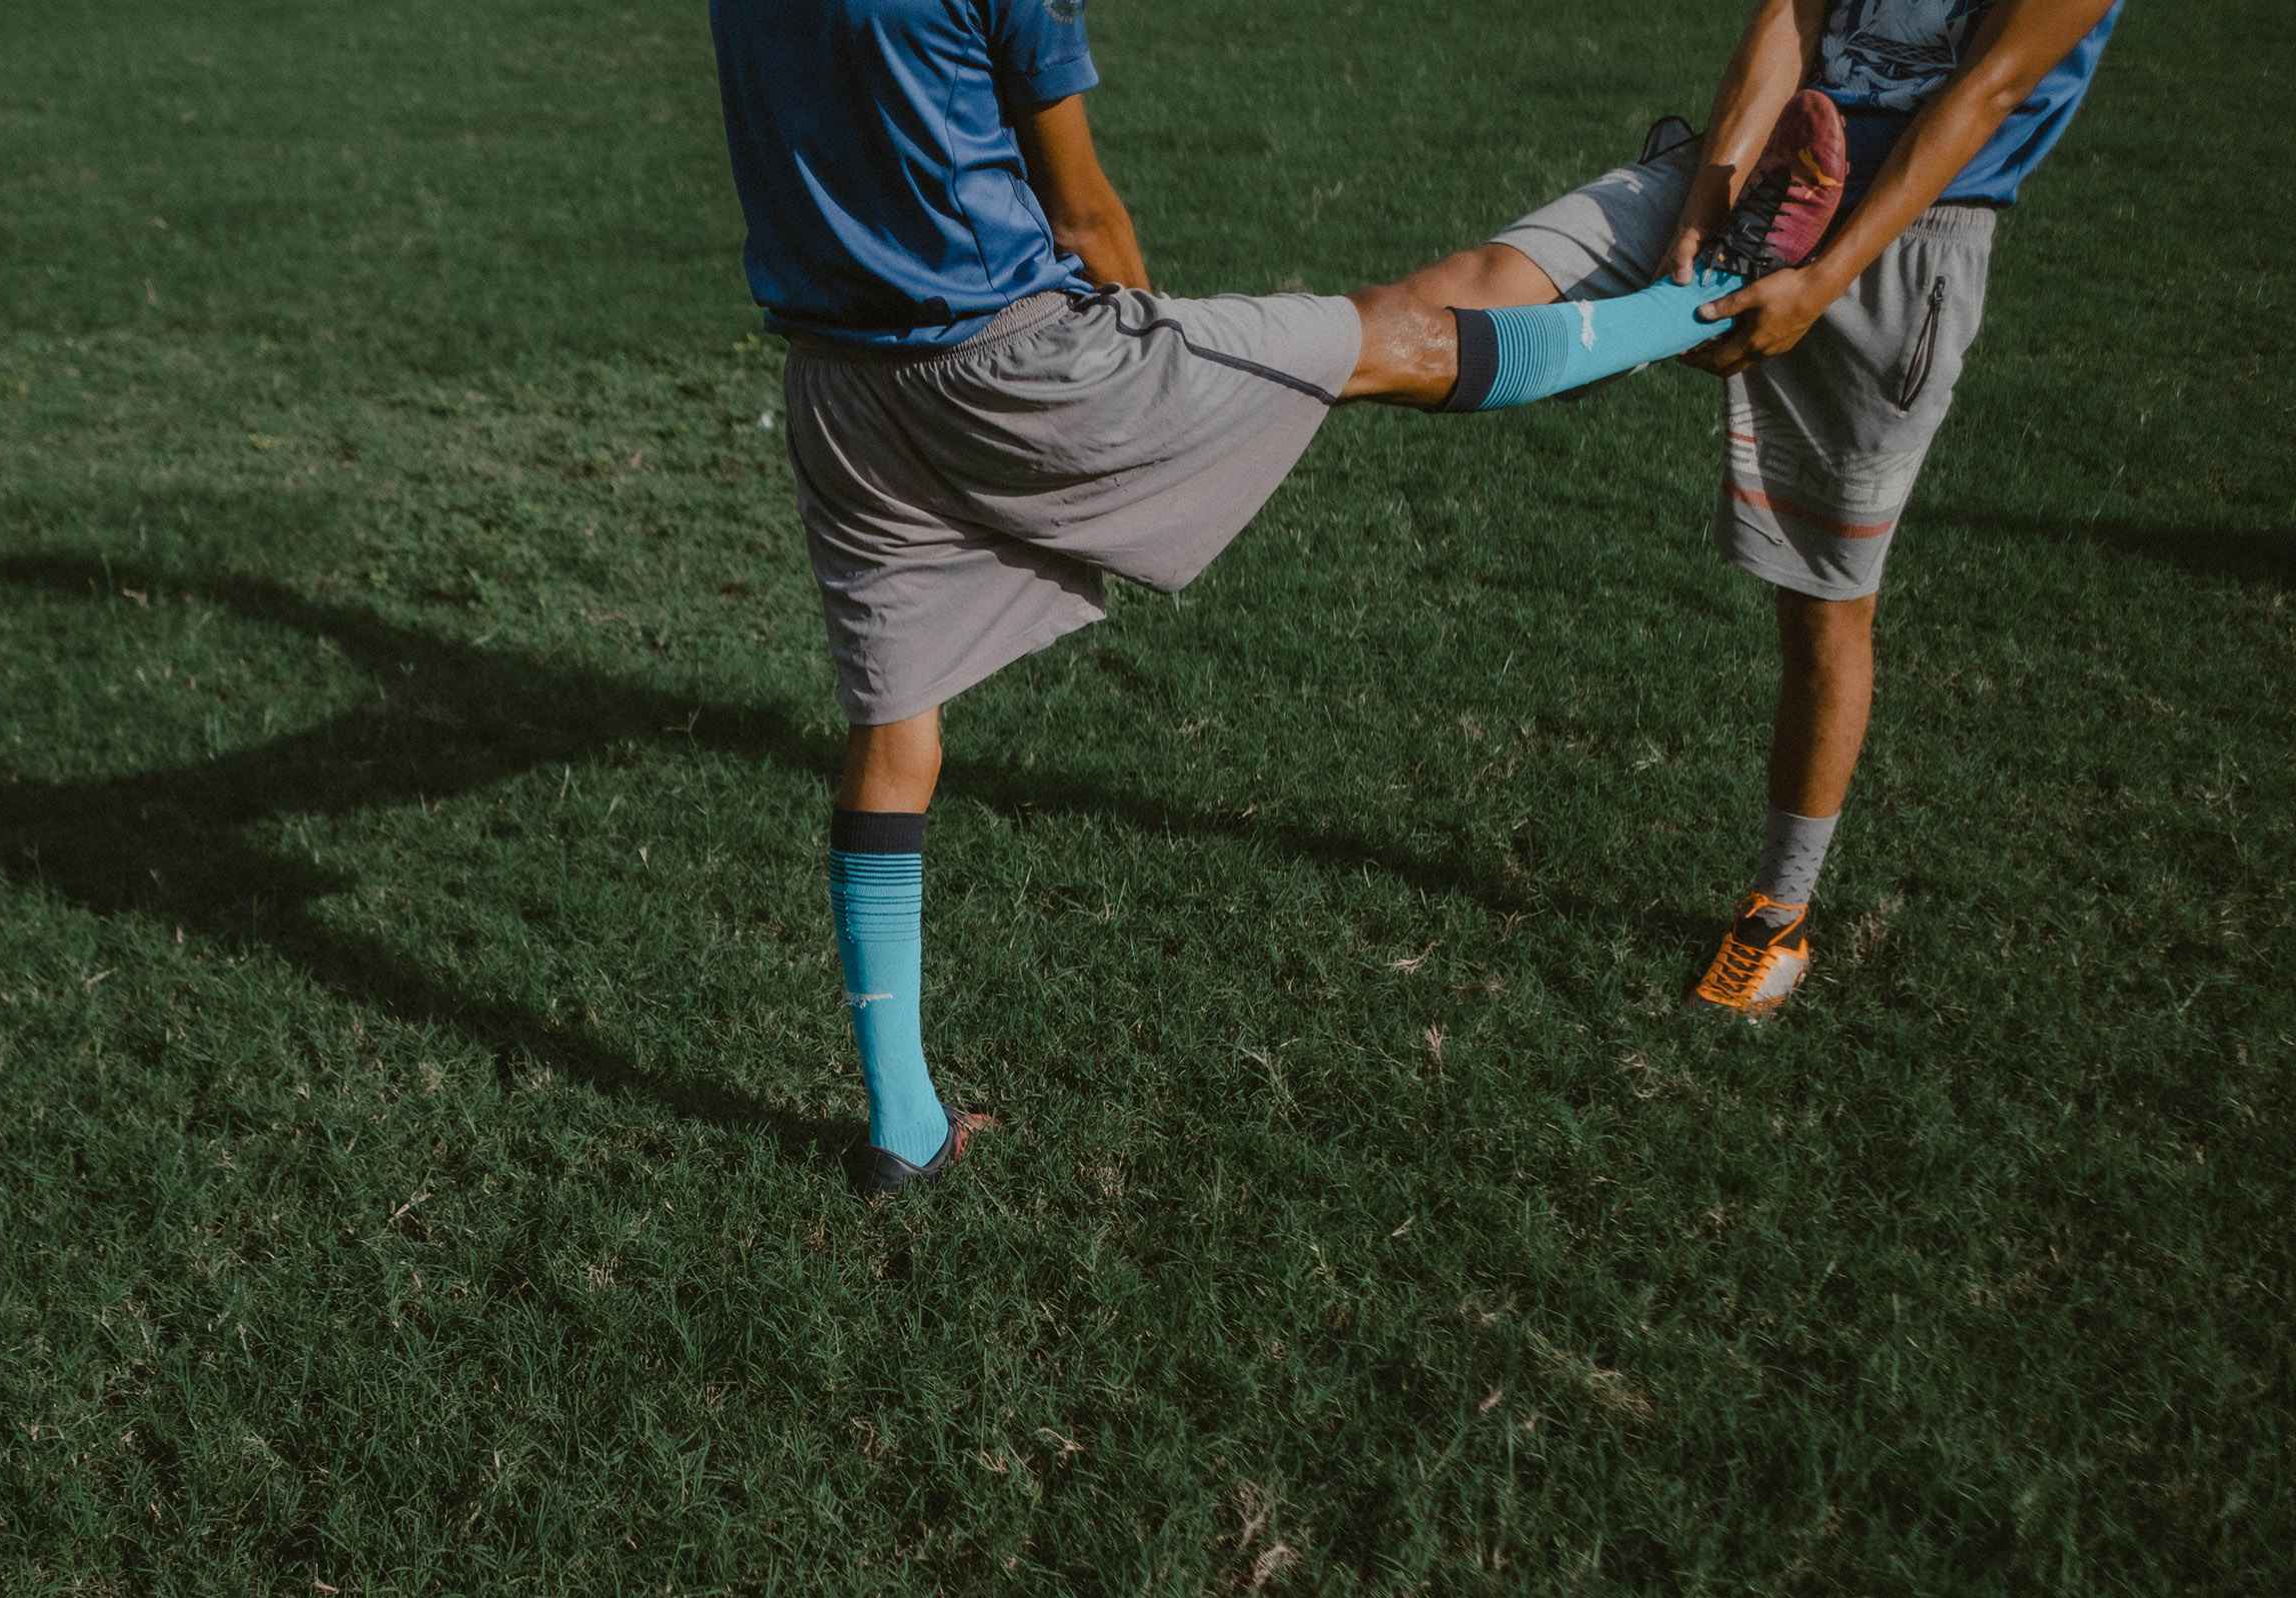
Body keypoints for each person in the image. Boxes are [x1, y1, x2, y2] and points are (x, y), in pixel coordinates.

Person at [707, 0, 1843, 1191]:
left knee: (895, 724)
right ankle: (1708, 294)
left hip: (840, 387)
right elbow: (1084, 210)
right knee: (1395, 338)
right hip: (1021, 367)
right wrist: (1152, 353)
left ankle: (902, 1127)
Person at [1400, 0, 2126, 1017]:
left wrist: (1824, 278)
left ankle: (1777, 915)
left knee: (1824, 600)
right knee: (1473, 295)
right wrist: (1704, 194)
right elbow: (1794, 9)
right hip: (1763, 174)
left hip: (1904, 242)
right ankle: (1258, 359)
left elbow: (1989, 90)